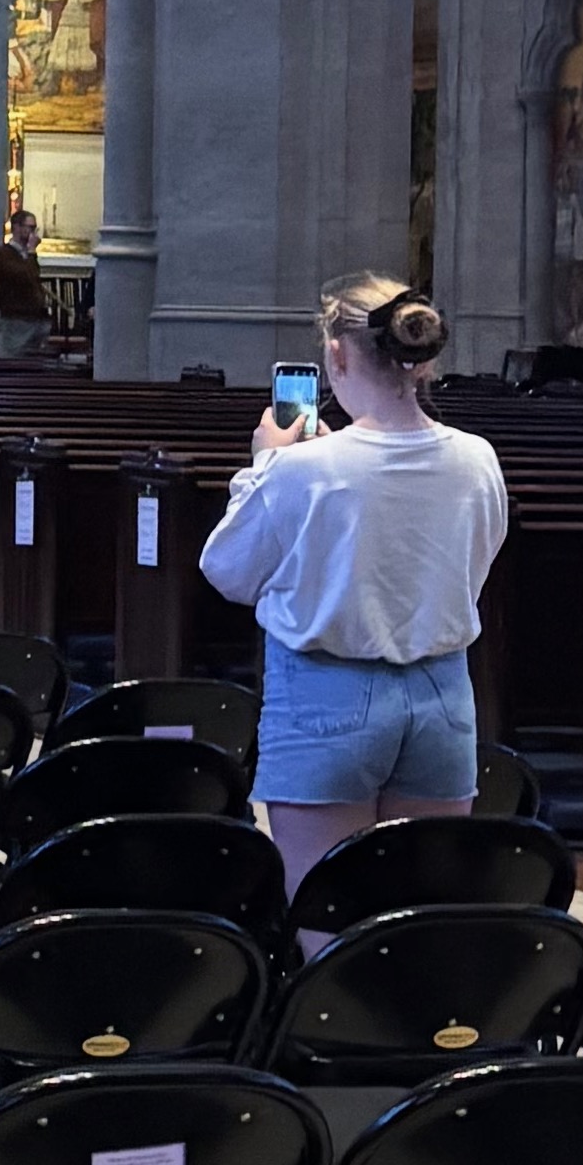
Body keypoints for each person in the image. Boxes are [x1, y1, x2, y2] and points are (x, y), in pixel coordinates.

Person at [199, 277, 509, 905]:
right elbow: (474, 568)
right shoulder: (478, 458)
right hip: (443, 696)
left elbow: (227, 570)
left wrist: (264, 463)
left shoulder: (301, 468)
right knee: (416, 918)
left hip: (326, 695)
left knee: (332, 924)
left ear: (336, 356)